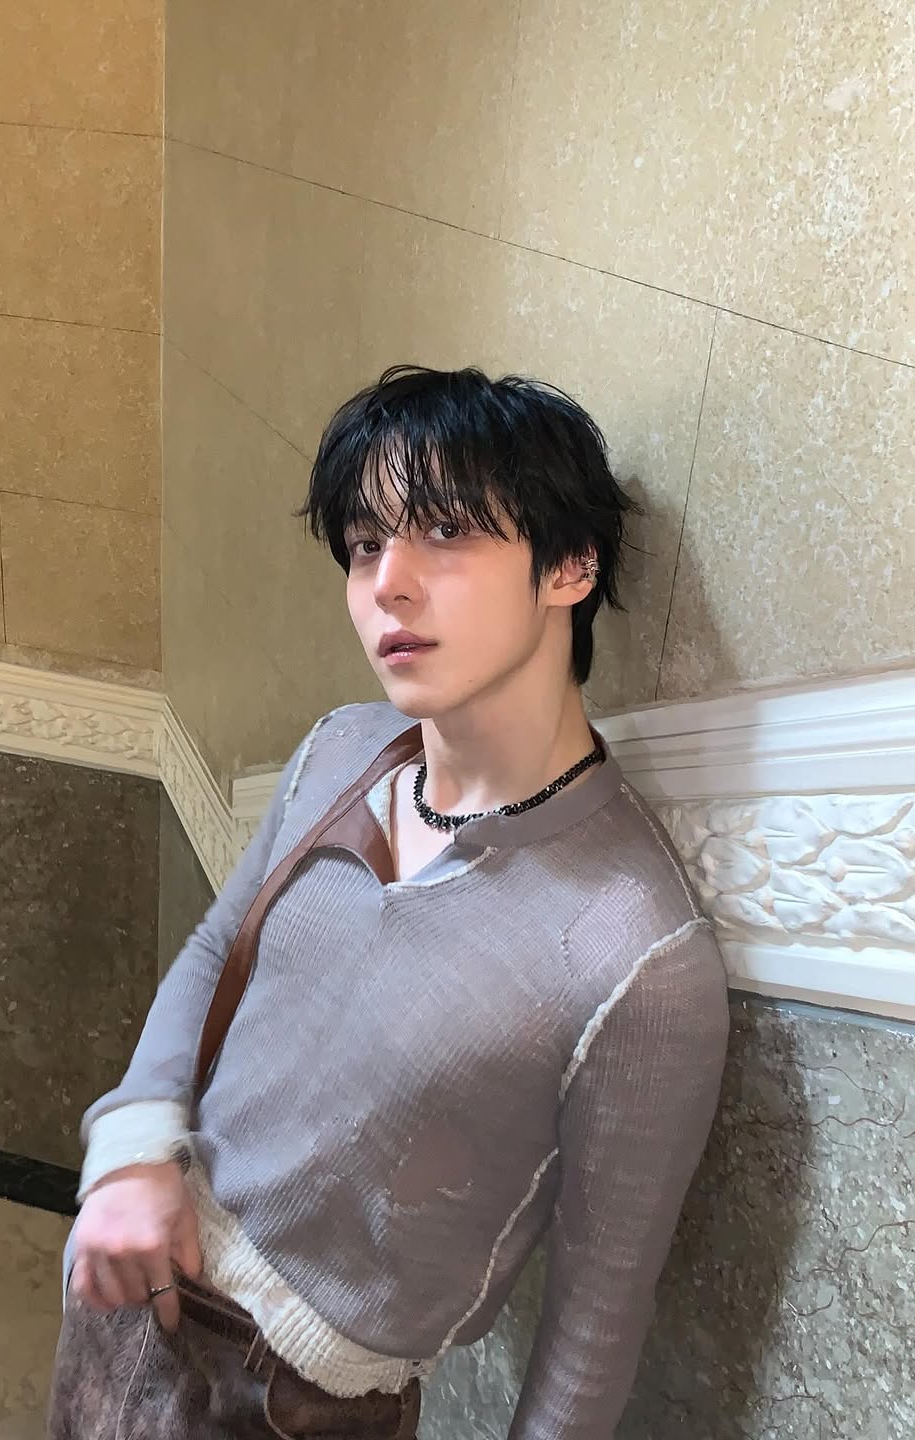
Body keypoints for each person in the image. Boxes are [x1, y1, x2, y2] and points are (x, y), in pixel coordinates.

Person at [47, 364, 731, 1439]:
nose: (389, 586)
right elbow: (220, 946)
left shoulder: (639, 956)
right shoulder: (343, 748)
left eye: (445, 533)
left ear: (571, 565)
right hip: (122, 1278)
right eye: (365, 545)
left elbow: (596, 1324)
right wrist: (132, 1150)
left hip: (296, 1406)